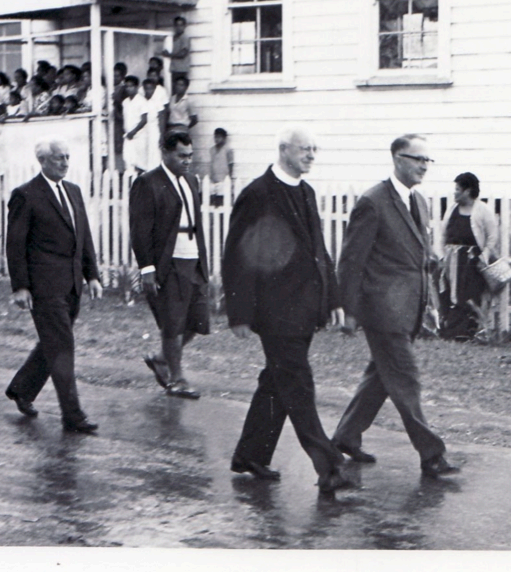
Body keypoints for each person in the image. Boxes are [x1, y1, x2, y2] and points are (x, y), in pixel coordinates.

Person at [224, 127, 352, 494]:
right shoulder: (258, 194)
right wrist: (240, 312)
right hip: (274, 310)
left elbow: (318, 250)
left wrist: (335, 299)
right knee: (297, 383)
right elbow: (237, 255)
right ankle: (329, 465)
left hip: (305, 307)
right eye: (304, 149)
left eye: (315, 149)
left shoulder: (307, 191)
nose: (312, 155)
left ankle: (250, 454)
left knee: (277, 381)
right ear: (283, 150)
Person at [331, 134, 458, 479]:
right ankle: (432, 454)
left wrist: (428, 302)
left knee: (380, 377)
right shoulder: (372, 202)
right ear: (397, 159)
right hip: (381, 309)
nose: (423, 166)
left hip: (409, 308)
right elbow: (351, 261)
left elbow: (419, 261)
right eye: (417, 159)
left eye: (427, 161)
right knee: (405, 380)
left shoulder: (419, 203)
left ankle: (345, 435)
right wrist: (349, 310)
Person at [4, 137, 103, 433]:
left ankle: (23, 388)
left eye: (67, 158)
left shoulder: (73, 191)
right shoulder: (26, 195)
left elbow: (83, 237)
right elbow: (15, 245)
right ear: (43, 161)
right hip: (43, 286)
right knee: (62, 345)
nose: (65, 163)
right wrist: (20, 287)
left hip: (71, 284)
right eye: (59, 158)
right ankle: (72, 415)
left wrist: (93, 275)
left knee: (54, 342)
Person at [129, 130, 208, 400]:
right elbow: (140, 229)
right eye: (181, 155)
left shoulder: (191, 180)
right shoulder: (147, 183)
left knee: (198, 321)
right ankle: (177, 379)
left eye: (190, 156)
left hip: (193, 258)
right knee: (173, 323)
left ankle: (162, 358)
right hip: (168, 263)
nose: (187, 161)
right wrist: (147, 268)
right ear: (165, 152)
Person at [436, 172, 500, 340]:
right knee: (449, 293)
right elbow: (443, 234)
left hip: (471, 261)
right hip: (451, 260)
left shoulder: (483, 210)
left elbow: (492, 236)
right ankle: (450, 331)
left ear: (468, 191)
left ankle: (467, 332)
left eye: (458, 189)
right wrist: (442, 256)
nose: (454, 193)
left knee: (468, 294)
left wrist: (484, 255)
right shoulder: (452, 209)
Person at [161, 15, 191, 83]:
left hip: (181, 69)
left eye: (181, 25)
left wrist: (169, 55)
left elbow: (183, 53)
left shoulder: (184, 37)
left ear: (184, 26)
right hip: (174, 69)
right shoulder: (173, 38)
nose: (179, 27)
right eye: (177, 25)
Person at [209, 128, 234, 207]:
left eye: (219, 137)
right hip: (213, 179)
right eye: (215, 137)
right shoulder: (212, 150)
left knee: (222, 202)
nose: (217, 139)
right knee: (213, 202)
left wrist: (229, 177)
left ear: (224, 138)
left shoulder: (228, 150)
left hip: (223, 180)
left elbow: (230, 164)